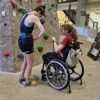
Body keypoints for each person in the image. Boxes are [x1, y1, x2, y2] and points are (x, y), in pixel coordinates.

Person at [18, 5, 45, 86]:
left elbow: (23, 28)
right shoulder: (35, 17)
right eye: (40, 16)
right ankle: (27, 81)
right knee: (30, 63)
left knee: (25, 61)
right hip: (27, 41)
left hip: (21, 40)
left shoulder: (25, 15)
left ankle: (21, 77)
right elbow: (43, 31)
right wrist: (37, 37)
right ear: (39, 12)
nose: (40, 18)